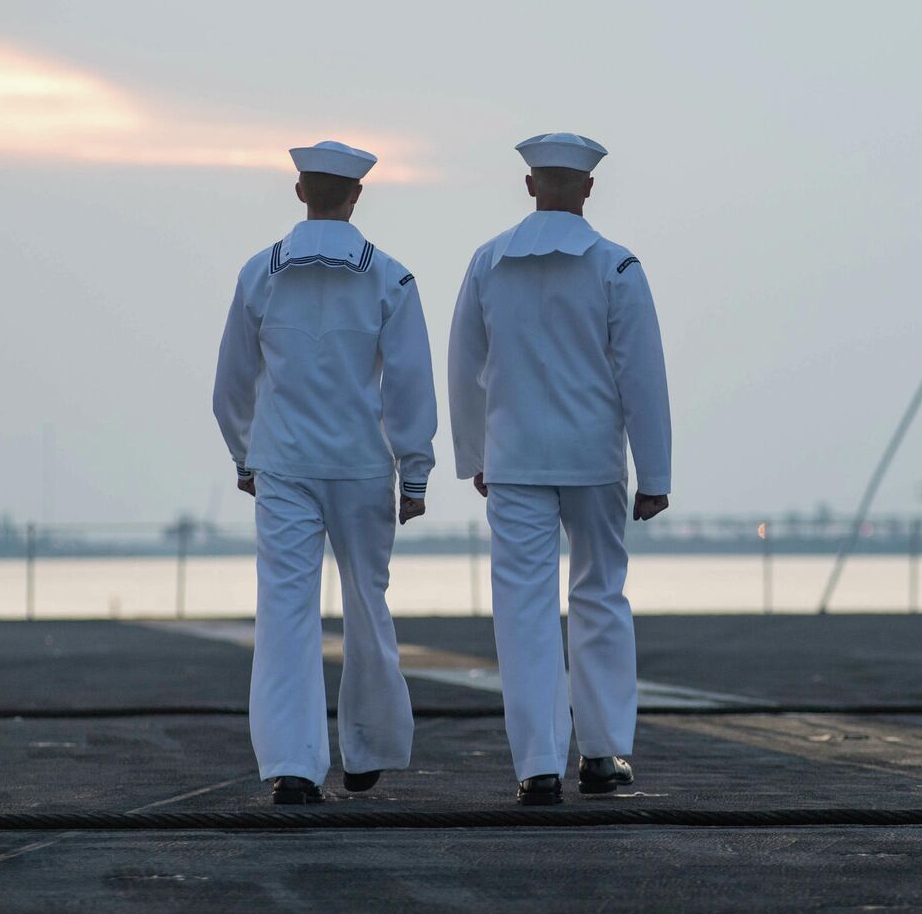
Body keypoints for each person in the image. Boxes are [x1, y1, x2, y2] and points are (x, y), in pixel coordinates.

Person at [448, 132, 672, 805]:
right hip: (593, 459)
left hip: (515, 459)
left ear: (529, 186)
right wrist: (654, 473)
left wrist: (473, 455)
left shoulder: (490, 262)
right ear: (589, 188)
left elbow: (465, 368)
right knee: (600, 597)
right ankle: (603, 753)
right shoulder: (615, 267)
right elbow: (643, 377)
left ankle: (538, 764)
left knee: (523, 609)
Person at [213, 140, 437, 805]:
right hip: (363, 465)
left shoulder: (261, 273)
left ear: (299, 192)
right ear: (356, 196)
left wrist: (243, 452)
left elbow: (232, 382)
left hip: (283, 461)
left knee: (285, 614)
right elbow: (410, 384)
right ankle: (366, 750)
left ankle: (293, 765)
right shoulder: (389, 277)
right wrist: (415, 470)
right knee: (367, 610)